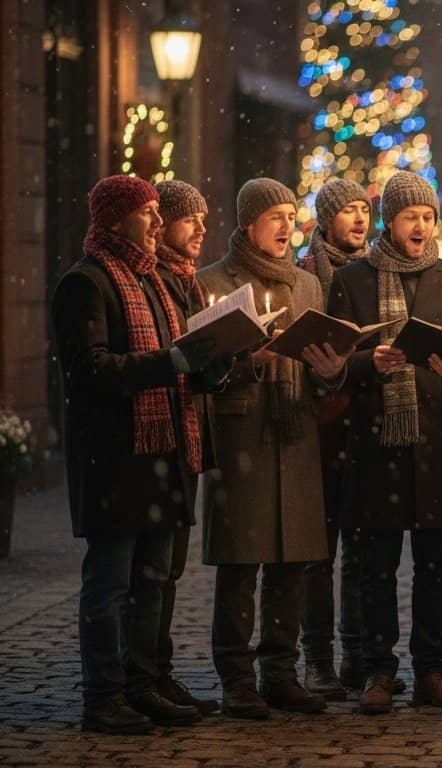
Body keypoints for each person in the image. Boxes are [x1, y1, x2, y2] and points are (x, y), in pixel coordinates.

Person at [52, 175, 221, 732]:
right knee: (109, 583)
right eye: (146, 213)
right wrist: (174, 360)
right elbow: (91, 371)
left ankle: (143, 684)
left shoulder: (152, 281)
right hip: (115, 457)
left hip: (162, 452)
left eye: (156, 212)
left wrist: (213, 360)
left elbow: (179, 366)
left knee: (154, 579)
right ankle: (104, 697)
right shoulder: (88, 282)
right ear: (116, 218)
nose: (156, 222)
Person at [326, 171, 442, 715]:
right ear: (389, 222)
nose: (420, 226)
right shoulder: (353, 279)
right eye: (408, 217)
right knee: (375, 568)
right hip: (377, 446)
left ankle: (431, 670)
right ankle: (378, 671)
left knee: (438, 568)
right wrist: (365, 364)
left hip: (437, 443)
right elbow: (332, 360)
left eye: (427, 217)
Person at [198, 178, 349, 719]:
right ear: (248, 225)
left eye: (292, 215)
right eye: (275, 217)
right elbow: (200, 371)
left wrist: (332, 373)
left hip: (296, 437)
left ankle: (280, 672)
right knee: (241, 564)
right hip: (243, 436)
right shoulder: (213, 282)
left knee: (293, 562)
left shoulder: (308, 286)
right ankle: (237, 678)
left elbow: (321, 364)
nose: (287, 226)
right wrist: (244, 363)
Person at [297, 178, 374, 699]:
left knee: (363, 552)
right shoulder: (305, 274)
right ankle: (317, 658)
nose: (359, 219)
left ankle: (358, 655)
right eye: (348, 211)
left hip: (363, 423)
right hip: (316, 429)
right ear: (327, 219)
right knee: (317, 553)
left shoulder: (376, 273)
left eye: (364, 210)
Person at [150, 179, 223, 716]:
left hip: (187, 436)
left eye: (204, 218)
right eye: (188, 219)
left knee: (168, 569)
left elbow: (198, 372)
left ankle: (158, 673)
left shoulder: (189, 282)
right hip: (158, 439)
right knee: (149, 571)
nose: (201, 229)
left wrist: (224, 354)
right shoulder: (155, 282)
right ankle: (142, 677)